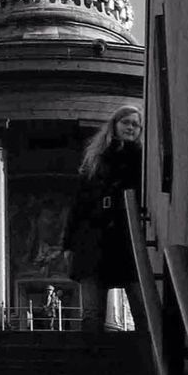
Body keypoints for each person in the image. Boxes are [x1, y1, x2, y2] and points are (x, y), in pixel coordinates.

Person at [62, 104, 143, 333]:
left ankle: (148, 360)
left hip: (126, 238)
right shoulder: (95, 161)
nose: (131, 127)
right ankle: (91, 359)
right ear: (114, 125)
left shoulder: (141, 159)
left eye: (135, 124)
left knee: (140, 304)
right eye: (126, 122)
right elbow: (78, 205)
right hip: (93, 240)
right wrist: (68, 244)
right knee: (91, 311)